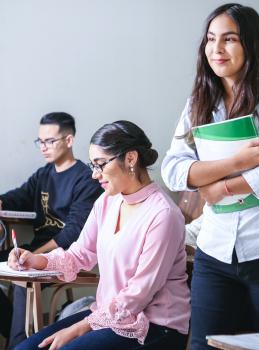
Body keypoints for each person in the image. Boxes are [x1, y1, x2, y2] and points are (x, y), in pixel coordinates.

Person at [161, 3, 259, 349]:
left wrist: (221, 187)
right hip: (214, 252)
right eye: (211, 39)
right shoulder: (198, 101)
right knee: (204, 345)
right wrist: (237, 163)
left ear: (251, 45)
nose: (217, 49)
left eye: (229, 39)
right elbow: (173, 169)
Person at [9, 120, 190, 350]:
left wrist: (78, 328)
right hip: (109, 316)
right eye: (92, 165)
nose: (95, 175)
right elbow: (80, 253)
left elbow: (138, 294)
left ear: (131, 158)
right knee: (24, 349)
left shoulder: (163, 215)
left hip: (155, 326)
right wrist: (37, 260)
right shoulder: (107, 201)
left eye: (100, 165)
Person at [0, 112, 102, 349]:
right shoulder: (44, 174)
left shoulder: (85, 178)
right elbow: (19, 196)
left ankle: (20, 344)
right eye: (40, 142)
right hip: (36, 251)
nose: (43, 148)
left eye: (50, 141)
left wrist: (35, 255)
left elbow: (72, 234)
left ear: (69, 140)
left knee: (22, 285)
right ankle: (22, 340)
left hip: (65, 256)